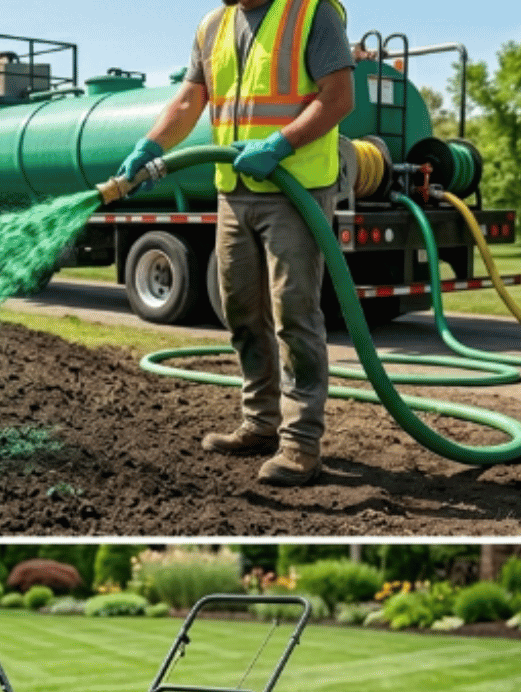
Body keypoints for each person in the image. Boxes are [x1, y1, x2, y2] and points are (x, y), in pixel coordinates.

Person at [115, 0, 354, 486]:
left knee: (295, 312)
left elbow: (338, 97)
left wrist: (280, 144)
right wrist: (151, 146)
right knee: (239, 308)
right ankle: (260, 423)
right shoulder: (212, 26)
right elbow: (189, 100)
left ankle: (301, 443)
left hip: (296, 187)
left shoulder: (313, 13)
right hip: (234, 190)